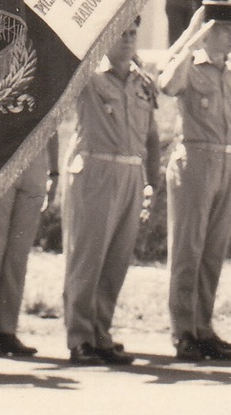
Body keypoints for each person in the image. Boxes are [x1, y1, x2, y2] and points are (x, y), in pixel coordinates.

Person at [62, 18, 160, 366]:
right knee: (88, 257)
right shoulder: (88, 75)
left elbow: (151, 134)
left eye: (134, 33)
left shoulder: (142, 82)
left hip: (132, 172)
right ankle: (79, 336)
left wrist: (152, 181)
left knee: (117, 259)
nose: (129, 39)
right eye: (122, 33)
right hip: (96, 170)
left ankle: (101, 332)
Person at [159, 0, 231, 362]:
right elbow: (167, 85)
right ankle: (183, 330)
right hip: (195, 158)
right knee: (188, 249)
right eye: (226, 31)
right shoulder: (192, 65)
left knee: (213, 251)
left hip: (226, 160)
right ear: (209, 32)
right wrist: (192, 42)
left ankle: (203, 325)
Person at [0, 135, 59, 359]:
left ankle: (7, 331)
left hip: (34, 164)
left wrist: (54, 171)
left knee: (18, 256)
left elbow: (52, 124)